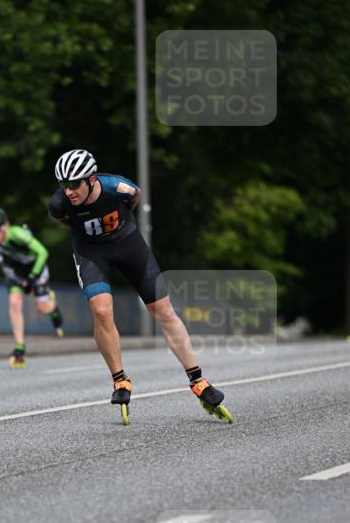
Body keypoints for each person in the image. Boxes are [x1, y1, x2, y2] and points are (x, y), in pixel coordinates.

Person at [48, 149, 232, 423]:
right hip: (90, 253)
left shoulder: (118, 187)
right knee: (101, 311)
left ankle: (198, 380)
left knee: (165, 312)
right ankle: (120, 380)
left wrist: (118, 225)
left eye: (74, 184)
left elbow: (135, 198)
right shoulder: (59, 204)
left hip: (128, 244)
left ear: (92, 179)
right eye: (63, 184)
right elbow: (63, 220)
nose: (69, 191)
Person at [0, 206, 64, 368]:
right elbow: (4, 266)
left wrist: (32, 278)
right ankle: (19, 346)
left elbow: (43, 252)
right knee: (14, 302)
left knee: (43, 308)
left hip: (35, 268)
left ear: (6, 225)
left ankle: (52, 307)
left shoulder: (18, 234)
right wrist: (19, 282)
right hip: (17, 272)